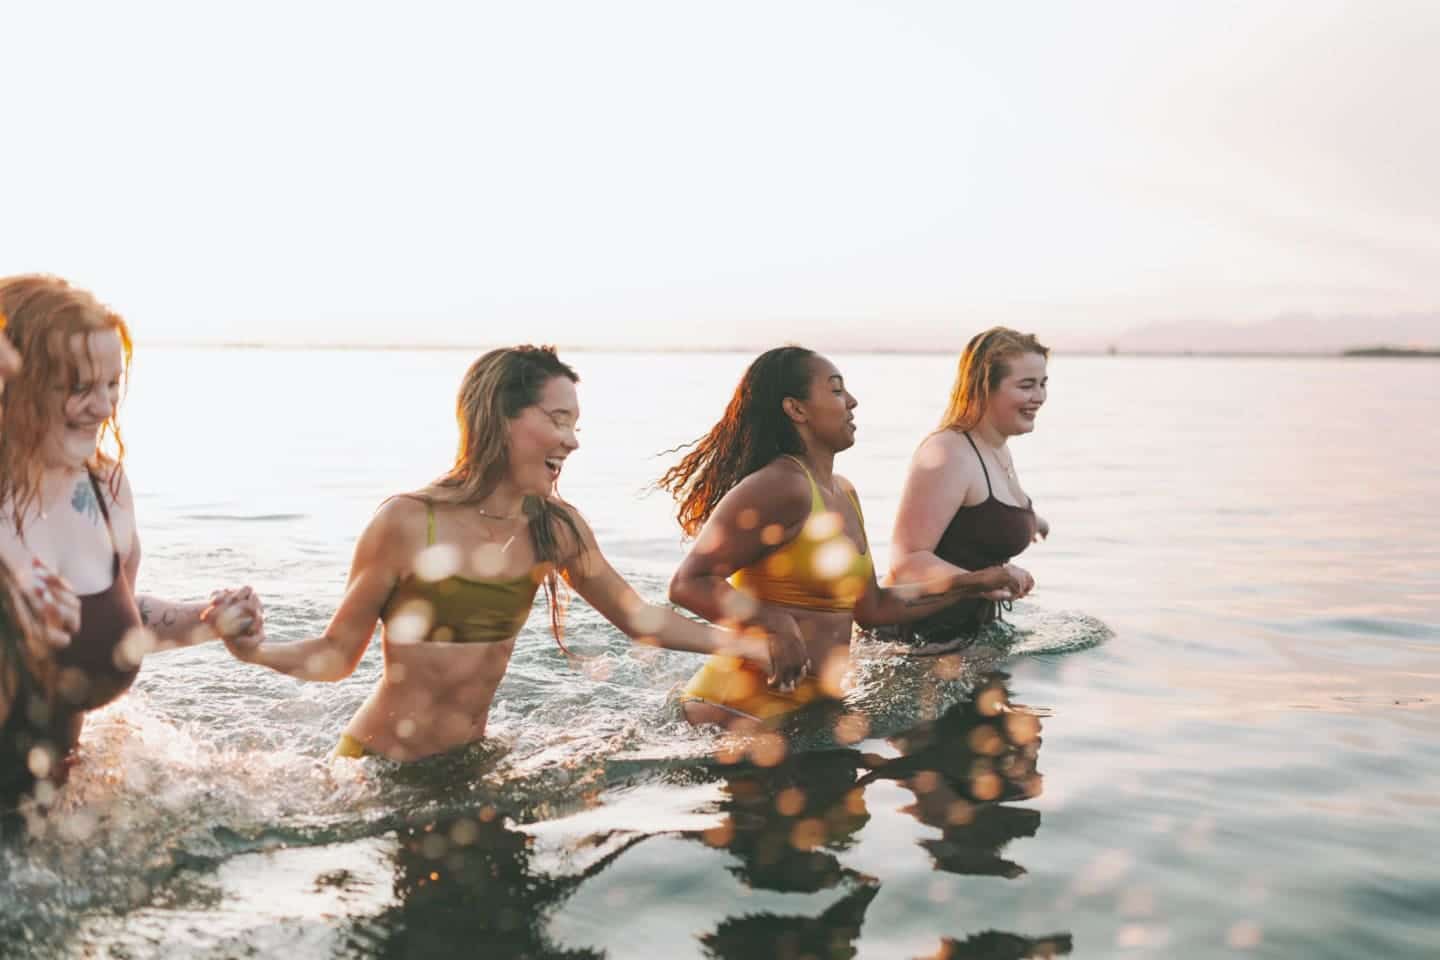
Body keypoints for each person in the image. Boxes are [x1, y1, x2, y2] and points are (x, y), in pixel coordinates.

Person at [215, 345, 805, 761]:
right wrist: (255, 652)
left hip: (470, 764)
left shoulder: (556, 529)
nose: (571, 441)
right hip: (379, 767)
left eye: (576, 425)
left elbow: (638, 618)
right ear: (500, 416)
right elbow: (337, 656)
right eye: (557, 420)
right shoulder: (407, 522)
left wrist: (746, 645)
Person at [659, 346, 1028, 730]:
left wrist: (973, 583)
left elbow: (874, 609)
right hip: (733, 714)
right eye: (836, 391)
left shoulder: (843, 492)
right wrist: (774, 622)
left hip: (807, 716)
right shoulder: (779, 486)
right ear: (796, 410)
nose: (852, 401)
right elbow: (688, 583)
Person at [0, 275, 262, 777]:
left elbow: (117, 617)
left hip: (52, 822)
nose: (105, 406)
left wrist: (204, 621)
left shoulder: (105, 489)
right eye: (80, 387)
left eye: (112, 384)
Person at [887, 327, 1049, 653]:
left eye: (1043, 384)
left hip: (969, 640)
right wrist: (983, 582)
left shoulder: (996, 447)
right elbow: (906, 560)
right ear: (984, 388)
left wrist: (1032, 521)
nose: (1040, 397)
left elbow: (980, 515)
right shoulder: (949, 452)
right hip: (919, 645)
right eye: (1026, 385)